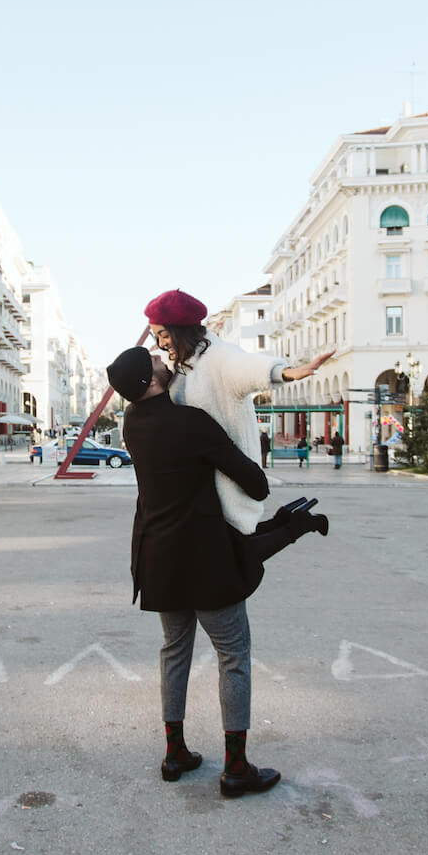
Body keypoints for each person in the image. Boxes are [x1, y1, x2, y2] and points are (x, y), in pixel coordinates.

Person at [108, 346, 326, 799]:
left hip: (159, 557)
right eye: (155, 363)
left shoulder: (133, 424)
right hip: (205, 557)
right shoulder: (191, 424)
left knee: (175, 651)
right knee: (233, 655)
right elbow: (256, 481)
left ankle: (175, 753)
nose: (163, 362)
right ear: (149, 383)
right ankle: (237, 767)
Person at [144, 289, 333, 534]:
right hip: (197, 488)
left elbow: (245, 366)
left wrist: (285, 372)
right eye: (156, 336)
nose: (161, 343)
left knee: (237, 559)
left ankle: (300, 522)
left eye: (164, 334)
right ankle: (299, 521)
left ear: (181, 330)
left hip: (228, 482)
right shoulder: (177, 363)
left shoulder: (218, 356)